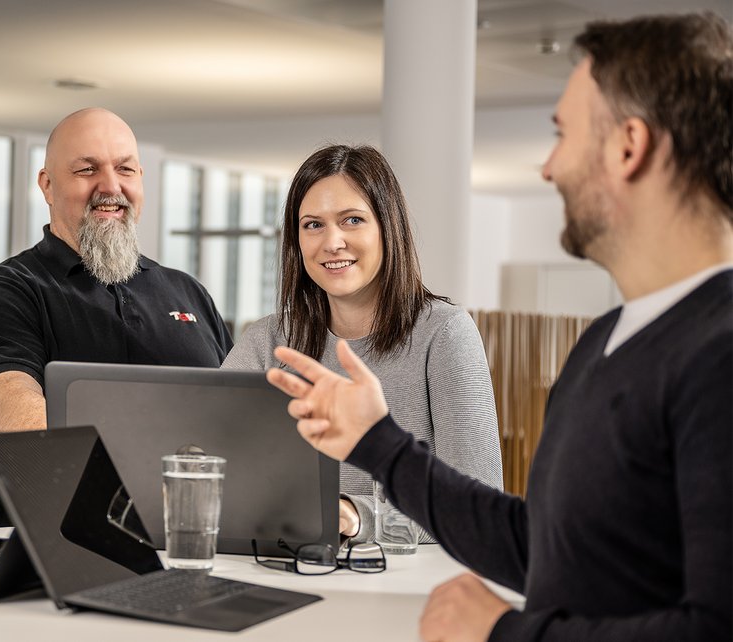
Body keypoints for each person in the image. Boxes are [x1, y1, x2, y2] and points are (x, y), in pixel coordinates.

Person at [267, 12, 731, 642]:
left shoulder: (719, 357)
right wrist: (377, 443)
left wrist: (503, 634)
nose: (548, 168)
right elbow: (542, 545)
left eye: (563, 134)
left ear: (629, 146)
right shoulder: (605, 342)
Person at [0, 107, 232, 526]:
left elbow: (234, 420)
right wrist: (142, 502)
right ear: (47, 185)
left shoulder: (188, 293)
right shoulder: (10, 291)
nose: (110, 186)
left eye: (126, 169)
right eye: (86, 170)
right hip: (59, 551)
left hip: (195, 543)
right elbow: (20, 418)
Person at [222, 144, 502, 542]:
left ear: (388, 228)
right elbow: (203, 451)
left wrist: (356, 516)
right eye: (313, 225)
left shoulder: (446, 334)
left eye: (352, 220)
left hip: (403, 585)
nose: (332, 242)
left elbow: (477, 504)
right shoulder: (268, 339)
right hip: (284, 563)